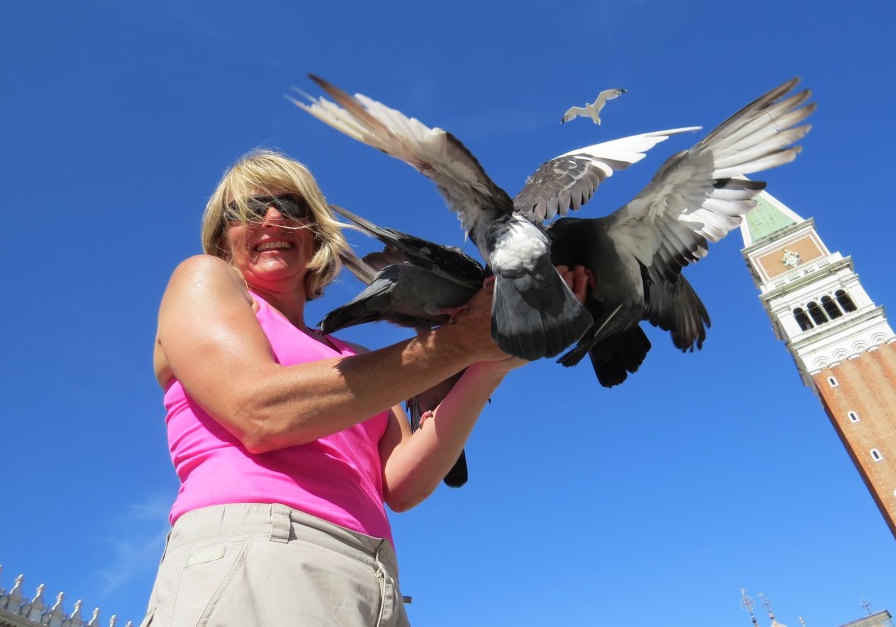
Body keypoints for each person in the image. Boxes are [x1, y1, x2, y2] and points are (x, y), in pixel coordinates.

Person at [142, 148, 590, 627]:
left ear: (314, 232)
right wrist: (460, 341)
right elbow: (259, 411)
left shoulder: (352, 358)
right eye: (249, 210)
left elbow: (400, 485)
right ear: (223, 237)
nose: (272, 218)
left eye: (292, 208)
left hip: (373, 570)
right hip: (264, 544)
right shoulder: (202, 280)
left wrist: (494, 357)